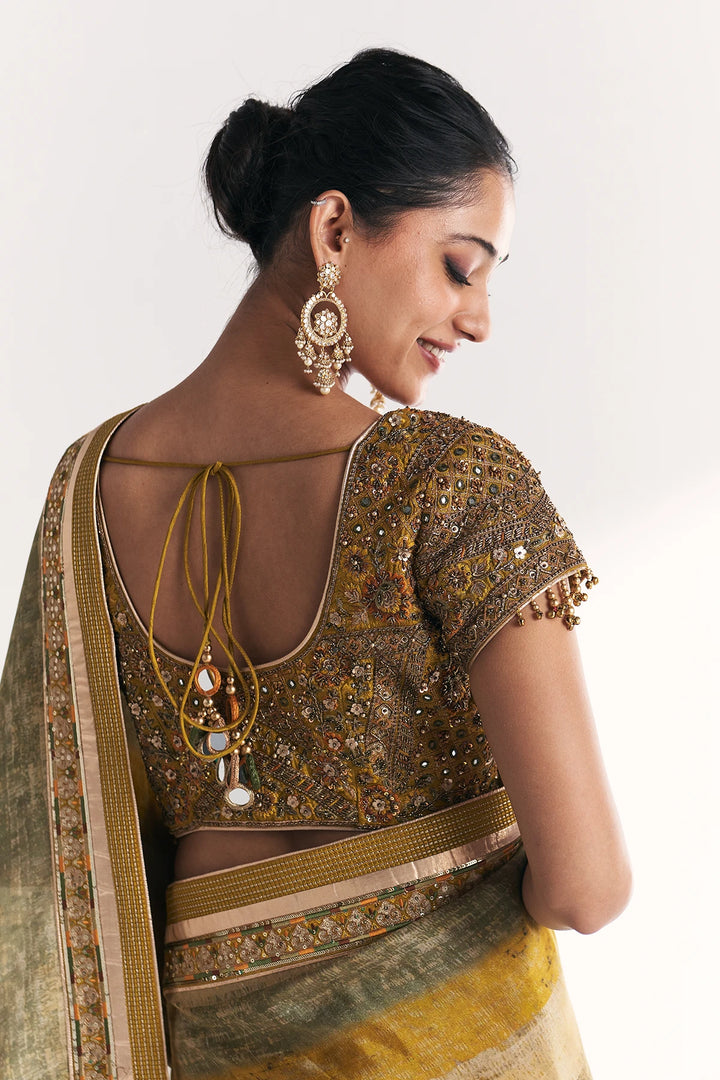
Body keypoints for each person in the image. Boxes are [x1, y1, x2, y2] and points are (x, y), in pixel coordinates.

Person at [0, 48, 631, 1080]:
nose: (477, 318)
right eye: (460, 266)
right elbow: (586, 887)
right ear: (335, 229)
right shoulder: (452, 481)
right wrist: (418, 929)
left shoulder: (91, 488)